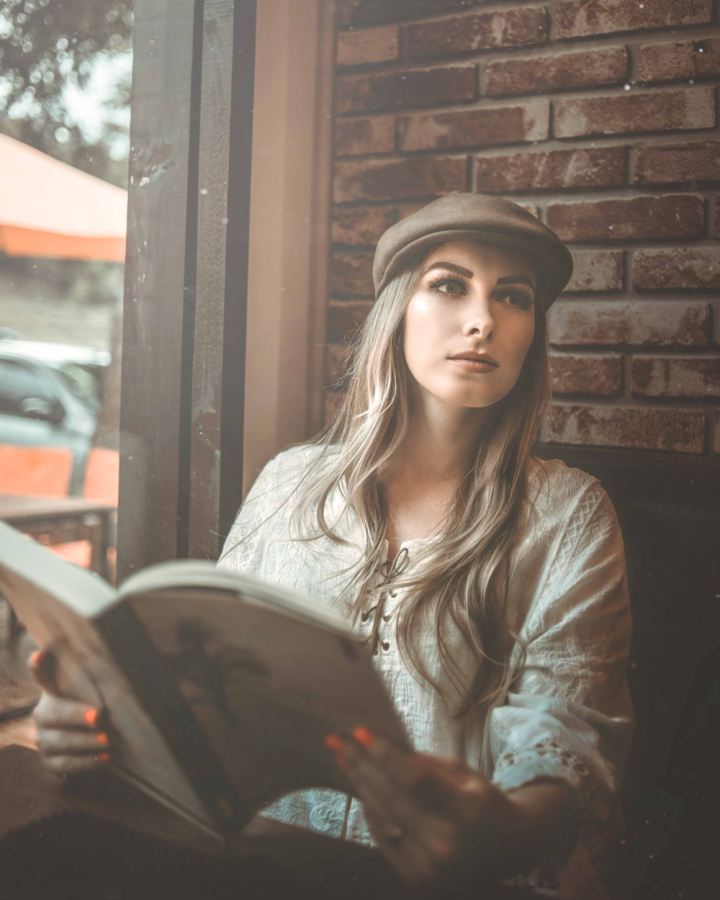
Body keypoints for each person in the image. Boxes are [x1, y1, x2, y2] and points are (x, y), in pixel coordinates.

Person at [31, 194, 633, 898]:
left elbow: (570, 739)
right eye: (449, 285)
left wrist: (507, 828)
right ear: (397, 310)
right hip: (259, 866)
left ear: (532, 334)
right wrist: (99, 729)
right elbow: (205, 686)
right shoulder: (292, 483)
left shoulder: (567, 515)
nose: (482, 320)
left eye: (514, 297)